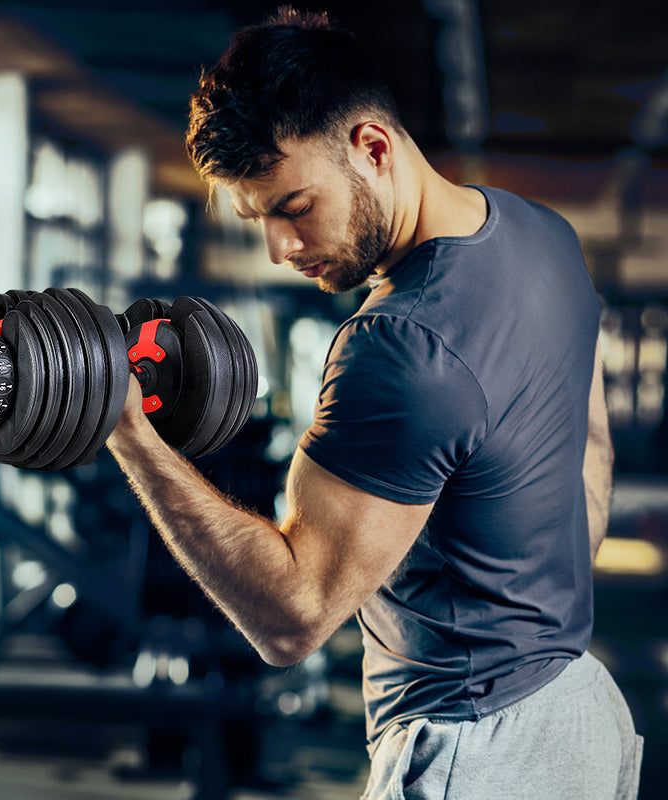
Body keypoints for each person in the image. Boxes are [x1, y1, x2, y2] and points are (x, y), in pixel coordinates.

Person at [107, 6, 643, 798]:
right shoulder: (546, 236)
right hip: (579, 716)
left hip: (476, 751)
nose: (282, 250)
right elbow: (590, 452)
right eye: (260, 221)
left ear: (373, 147)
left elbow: (293, 618)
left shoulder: (399, 344)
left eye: (293, 207)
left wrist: (128, 433)